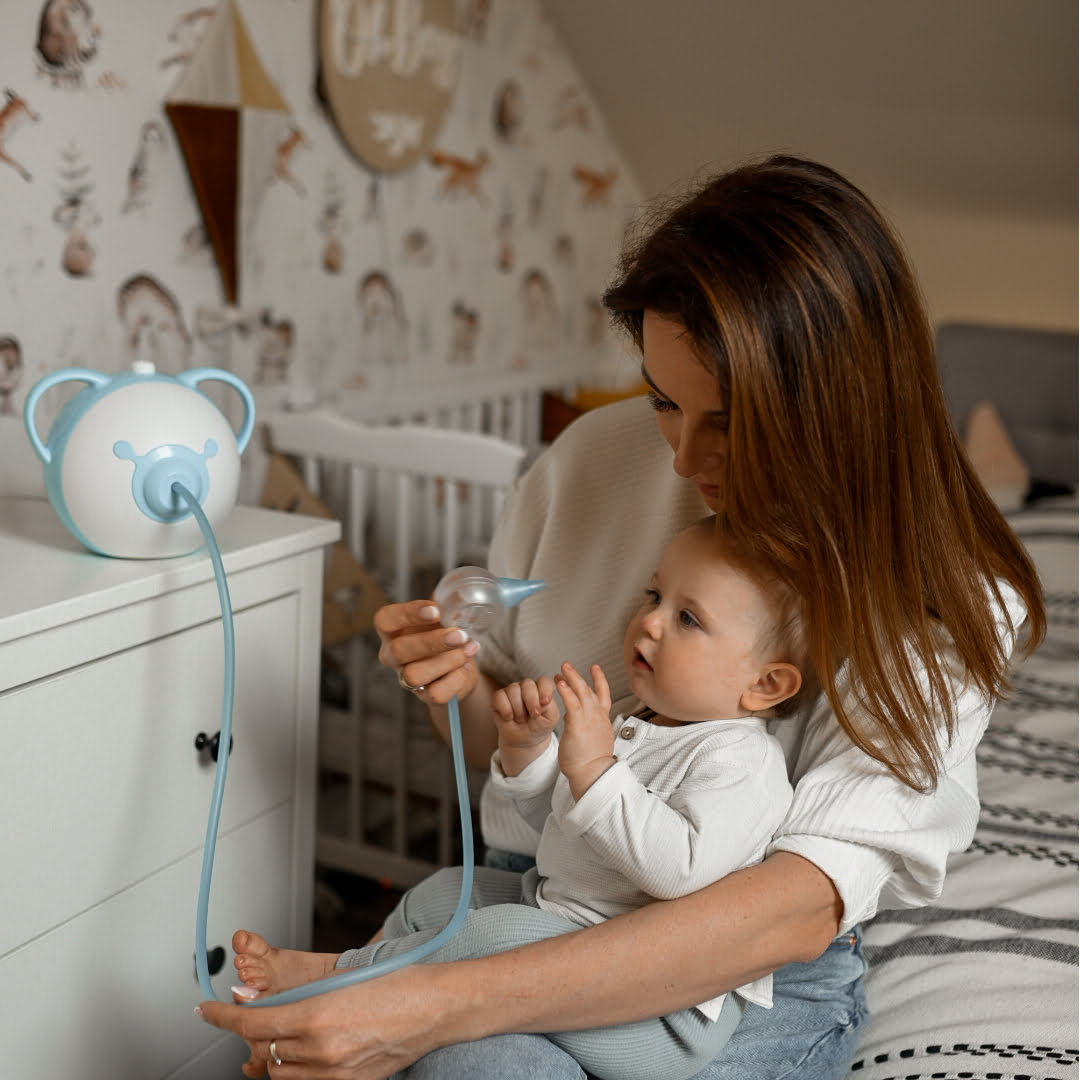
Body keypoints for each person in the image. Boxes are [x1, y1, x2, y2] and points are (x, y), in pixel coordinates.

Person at [197, 154, 1045, 1080]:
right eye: (662, 401)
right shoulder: (587, 463)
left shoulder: (945, 597)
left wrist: (427, 1000)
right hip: (553, 891)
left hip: (736, 971)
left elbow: (797, 904)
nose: (684, 460)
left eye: (727, 420)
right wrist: (465, 687)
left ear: (836, 407)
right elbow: (514, 784)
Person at [229, 515, 807, 1080]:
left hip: (663, 1013)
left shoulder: (742, 763)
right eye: (654, 595)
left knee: (487, 938)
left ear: (766, 685)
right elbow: (559, 825)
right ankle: (349, 1014)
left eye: (687, 618)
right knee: (446, 890)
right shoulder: (639, 719)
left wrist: (596, 771)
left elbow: (678, 871)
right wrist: (530, 752)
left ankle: (338, 979)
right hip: (565, 925)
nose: (650, 622)